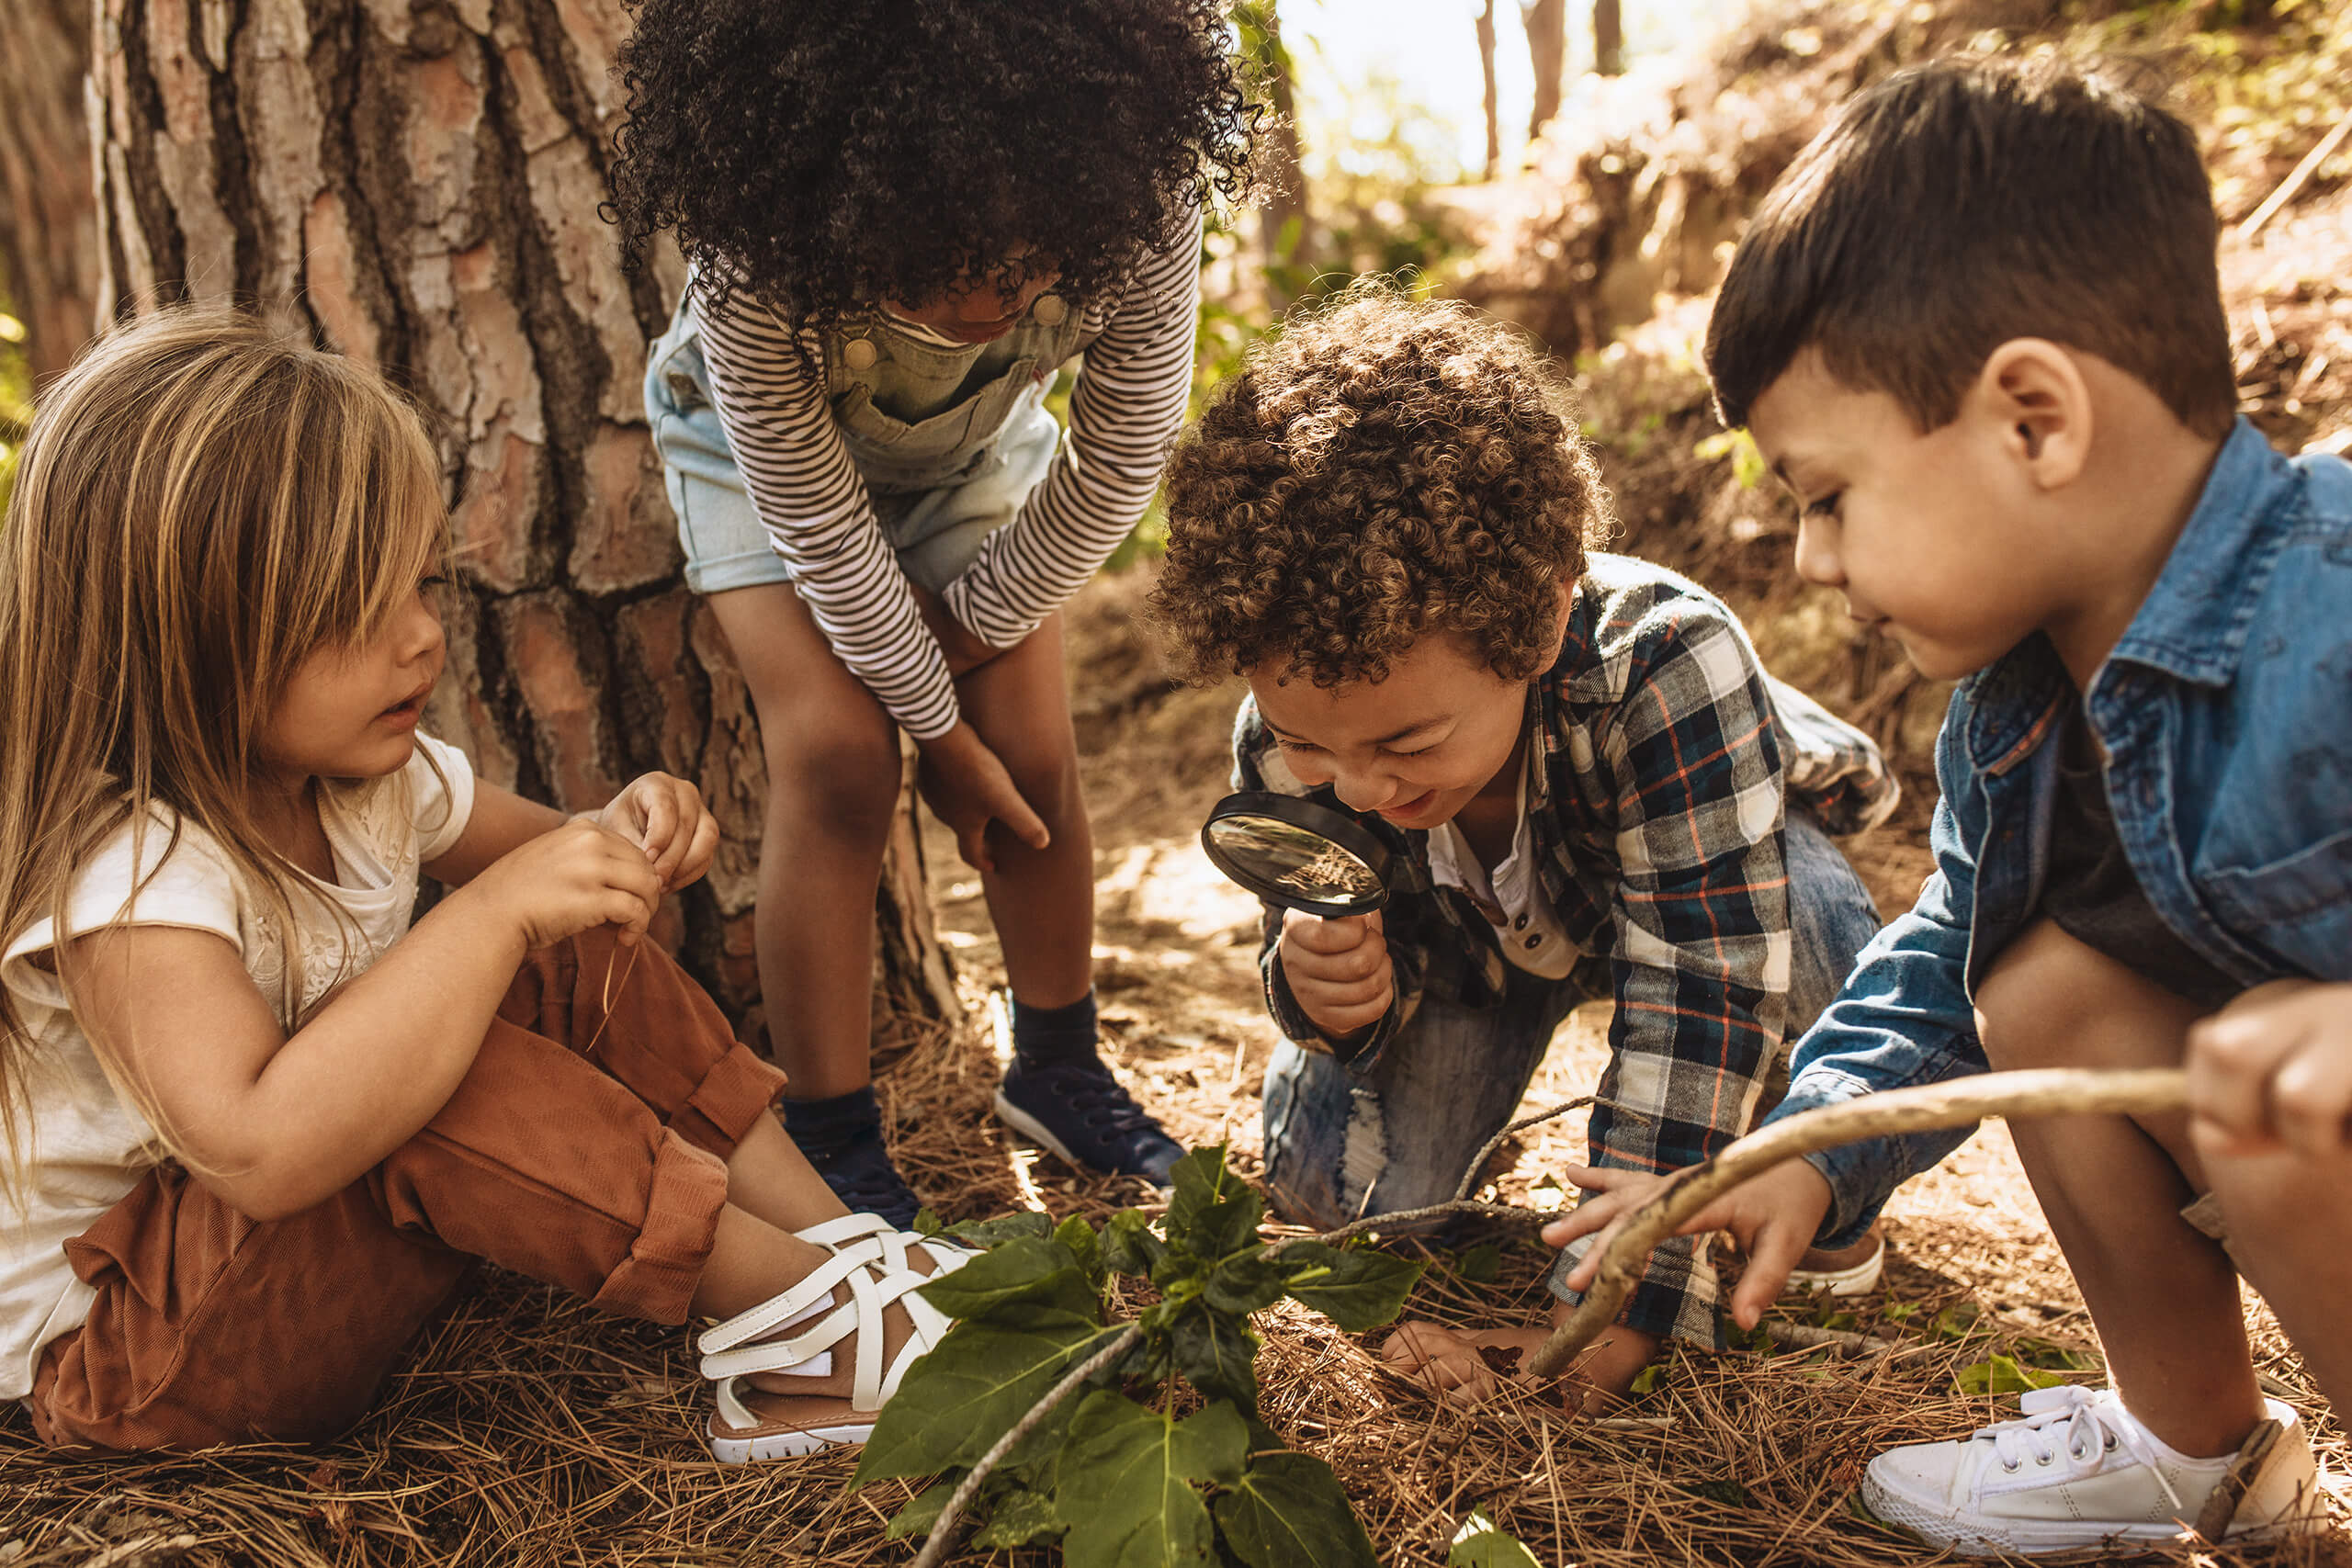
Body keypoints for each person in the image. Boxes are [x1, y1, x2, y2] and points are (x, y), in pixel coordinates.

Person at [1549, 57, 2346, 1554]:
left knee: (2282, 1082)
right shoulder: (2011, 717)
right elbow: (1933, 965)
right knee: (2039, 986)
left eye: (1830, 492)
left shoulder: (2335, 596)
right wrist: (1804, 1146)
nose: (1807, 558)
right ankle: (2190, 1443)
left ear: (2032, 420)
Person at [0, 310, 972, 1462]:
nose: (421, 641)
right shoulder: (132, 878)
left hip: (268, 1273)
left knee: (562, 947)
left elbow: (559, 863)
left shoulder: (364, 778)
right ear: (183, 640)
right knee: (440, 1058)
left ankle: (843, 1254)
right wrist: (495, 913)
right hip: (129, 1362)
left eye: (419, 586)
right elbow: (263, 1151)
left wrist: (625, 832)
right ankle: (805, 1327)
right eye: (356, 612)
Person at [1146, 288, 1900, 1406]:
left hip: (1690, 882)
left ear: (1541, 620)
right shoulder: (1290, 736)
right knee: (1332, 1196)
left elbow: (1701, 981)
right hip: (1469, 957)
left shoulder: (1667, 664)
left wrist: (1624, 1296)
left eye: (1406, 739)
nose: (1358, 785)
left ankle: (1818, 1190)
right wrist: (1326, 996)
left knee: (1822, 937)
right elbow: (1302, 936)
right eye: (1313, 744)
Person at [603, 0, 1258, 1224]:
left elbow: (1116, 463)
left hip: (971, 460)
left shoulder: (1140, 195)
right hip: (759, 467)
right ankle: (835, 1131)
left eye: (1029, 259)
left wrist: (963, 646)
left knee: (1034, 752)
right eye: (945, 258)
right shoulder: (759, 248)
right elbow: (820, 527)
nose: (995, 294)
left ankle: (1061, 1068)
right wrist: (932, 737)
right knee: (843, 754)